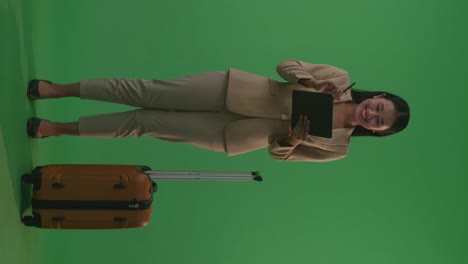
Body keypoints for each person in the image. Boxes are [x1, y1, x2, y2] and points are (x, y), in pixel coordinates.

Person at [26, 59, 410, 162]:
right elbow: (285, 64)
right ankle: (58, 90)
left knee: (142, 124)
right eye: (379, 107)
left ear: (376, 132)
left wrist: (290, 141)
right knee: (144, 90)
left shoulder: (338, 148)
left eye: (379, 122)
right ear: (376, 96)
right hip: (231, 89)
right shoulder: (338, 79)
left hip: (233, 137)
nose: (372, 115)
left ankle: (57, 129)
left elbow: (283, 156)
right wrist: (309, 83)